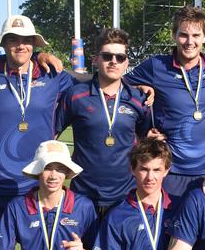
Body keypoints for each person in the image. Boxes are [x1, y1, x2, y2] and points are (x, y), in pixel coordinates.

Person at [0, 15, 74, 229]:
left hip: (40, 182)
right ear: (3, 44)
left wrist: (137, 84)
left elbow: (90, 93)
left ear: (34, 44)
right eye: (13, 39)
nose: (20, 45)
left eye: (27, 40)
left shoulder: (53, 75)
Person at [125, 5, 205, 196]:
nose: (190, 42)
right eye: (183, 35)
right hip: (169, 170)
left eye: (196, 35)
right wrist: (139, 87)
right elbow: (117, 84)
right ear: (173, 35)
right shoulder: (156, 66)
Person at [56, 28, 152, 213]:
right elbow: (53, 134)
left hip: (125, 196)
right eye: (107, 56)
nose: (113, 61)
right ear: (96, 59)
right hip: (82, 196)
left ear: (126, 63)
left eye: (120, 57)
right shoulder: (76, 96)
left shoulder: (138, 99)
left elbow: (146, 141)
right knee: (80, 244)